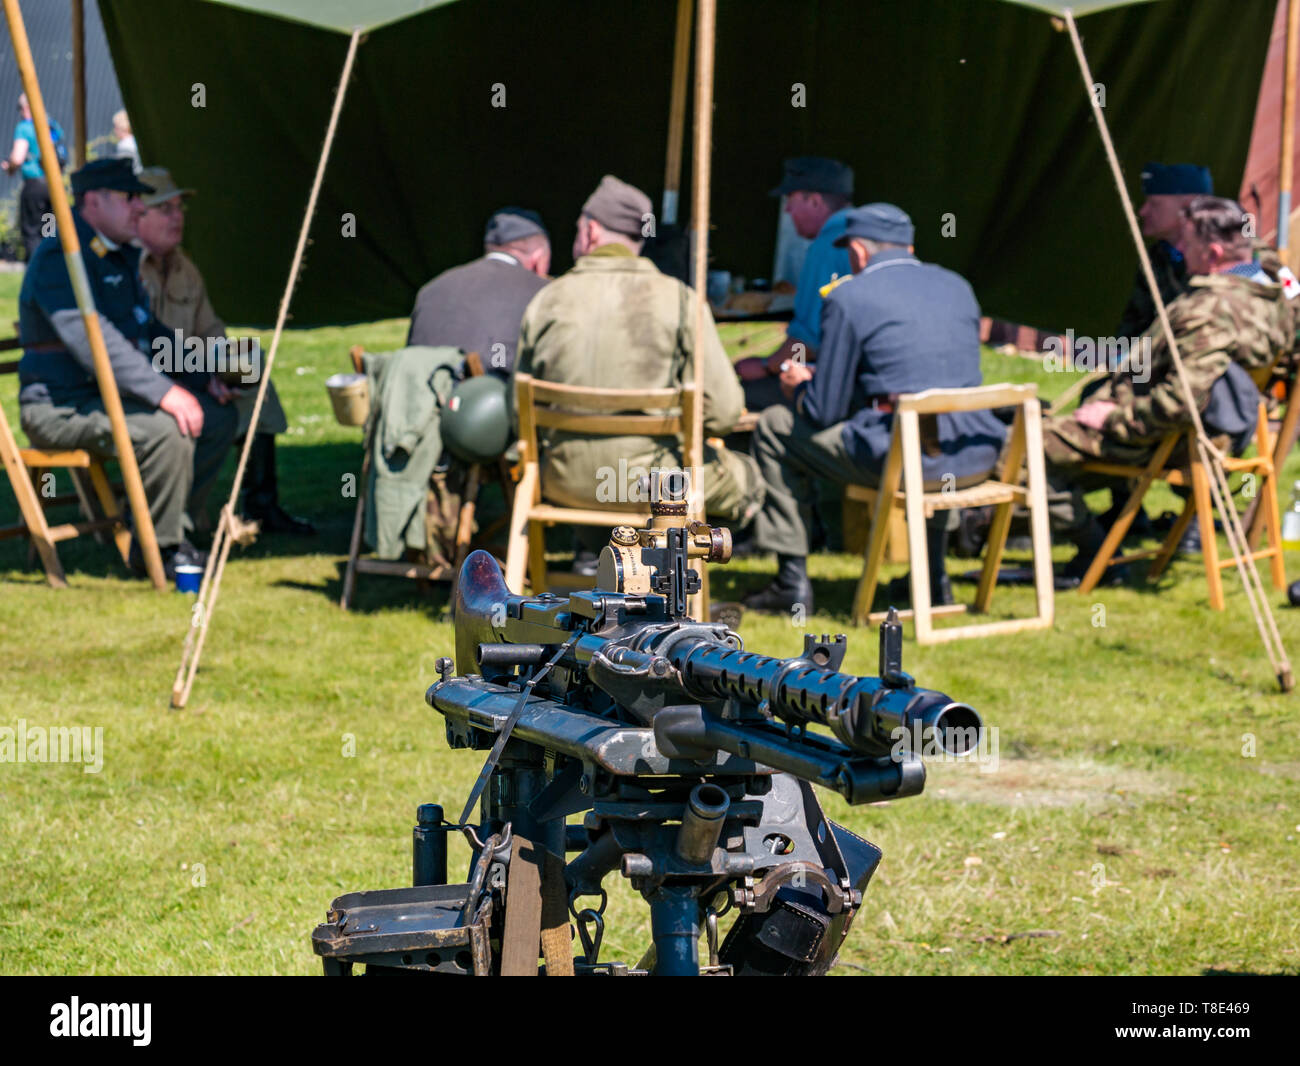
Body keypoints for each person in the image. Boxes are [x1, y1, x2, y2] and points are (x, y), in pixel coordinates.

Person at [743, 203, 1006, 614]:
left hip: (913, 458)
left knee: (776, 426)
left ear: (860, 253)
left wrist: (797, 386)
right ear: (910, 246)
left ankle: (790, 583)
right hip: (976, 451)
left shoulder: (849, 297)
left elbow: (822, 411)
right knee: (928, 425)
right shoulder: (958, 286)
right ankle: (932, 577)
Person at [1044, 196, 1294, 582]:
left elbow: (1179, 403)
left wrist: (1113, 417)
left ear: (1212, 251)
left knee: (1025, 448)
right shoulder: (1276, 293)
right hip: (1220, 434)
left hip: (1165, 440)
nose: (1179, 250)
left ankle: (1096, 555)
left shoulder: (1208, 310)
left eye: (1187, 243)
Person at [17, 158, 237, 578]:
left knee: (217, 416)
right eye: (129, 197)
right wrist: (164, 393)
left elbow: (148, 332)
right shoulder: (60, 258)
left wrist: (204, 376)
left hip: (105, 399)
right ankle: (163, 551)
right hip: (60, 407)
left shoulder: (113, 256)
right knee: (167, 430)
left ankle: (170, 530)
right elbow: (96, 343)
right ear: (93, 203)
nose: (140, 207)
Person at [513, 174, 763, 530]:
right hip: (652, 486)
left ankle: (599, 559)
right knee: (746, 477)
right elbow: (722, 413)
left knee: (605, 480)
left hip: (562, 482)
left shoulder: (545, 300)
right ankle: (680, 568)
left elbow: (515, 412)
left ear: (591, 232)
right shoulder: (680, 300)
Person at [134, 167, 313, 536]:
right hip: (151, 381)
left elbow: (211, 332)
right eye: (165, 209)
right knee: (226, 394)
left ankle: (262, 506)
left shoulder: (185, 268)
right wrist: (204, 375)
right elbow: (141, 347)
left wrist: (226, 368)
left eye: (179, 208)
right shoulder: (127, 270)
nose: (177, 216)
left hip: (192, 371)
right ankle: (176, 514)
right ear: (139, 215)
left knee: (252, 371)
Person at [735, 157, 854, 411]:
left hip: (849, 389)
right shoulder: (873, 236)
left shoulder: (828, 245)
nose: (787, 210)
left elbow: (807, 343)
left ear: (815, 201)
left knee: (738, 397)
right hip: (889, 382)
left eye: (791, 200)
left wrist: (765, 365)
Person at [407, 208, 550, 377]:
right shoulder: (542, 292)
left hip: (421, 395)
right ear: (538, 258)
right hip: (492, 397)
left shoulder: (431, 290)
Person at [1115, 163, 1213, 341]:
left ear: (1187, 206)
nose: (1143, 211)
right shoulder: (1158, 256)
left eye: (1154, 204)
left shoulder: (1227, 257)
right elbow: (1134, 326)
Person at [1, 94, 65, 260]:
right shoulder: (52, 125)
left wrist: (10, 166)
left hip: (35, 187)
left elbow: (17, 157)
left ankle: (36, 269)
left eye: (20, 109)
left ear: (26, 108)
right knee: (48, 229)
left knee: (31, 230)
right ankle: (51, 265)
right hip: (54, 187)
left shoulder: (25, 127)